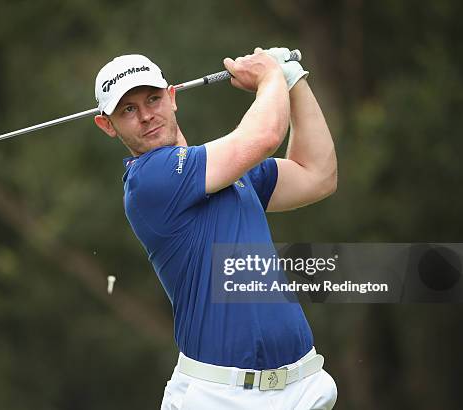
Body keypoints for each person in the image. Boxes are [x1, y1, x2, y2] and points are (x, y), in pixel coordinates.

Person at [93, 48, 338, 409]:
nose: (146, 115)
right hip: (221, 397)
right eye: (128, 109)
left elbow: (317, 175)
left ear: (172, 97)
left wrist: (293, 79)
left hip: (304, 389)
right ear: (107, 125)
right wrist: (270, 76)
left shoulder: (226, 171)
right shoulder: (149, 179)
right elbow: (264, 137)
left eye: (153, 99)